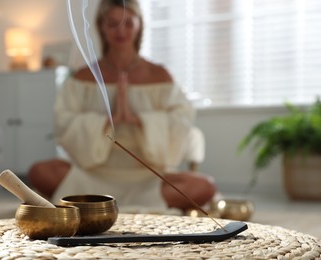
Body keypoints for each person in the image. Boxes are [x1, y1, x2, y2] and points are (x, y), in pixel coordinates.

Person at [28, 0, 216, 212]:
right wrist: (109, 120)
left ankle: (104, 204)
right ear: (101, 26)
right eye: (113, 23)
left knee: (204, 186)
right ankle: (104, 200)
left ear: (139, 25)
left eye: (128, 23)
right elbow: (64, 121)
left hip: (147, 176)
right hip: (93, 175)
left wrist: (139, 120)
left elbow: (181, 118)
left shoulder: (159, 75)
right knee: (39, 172)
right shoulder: (83, 77)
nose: (121, 31)